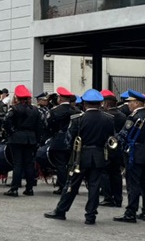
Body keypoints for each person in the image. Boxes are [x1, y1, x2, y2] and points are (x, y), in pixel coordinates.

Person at [44, 90, 112, 224]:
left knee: (71, 184)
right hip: (98, 156)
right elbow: (110, 139)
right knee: (94, 186)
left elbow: (69, 140)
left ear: (85, 103)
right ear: (100, 103)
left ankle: (61, 210)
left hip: (80, 157)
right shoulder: (108, 119)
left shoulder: (78, 119)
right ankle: (91, 215)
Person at [114, 91, 145, 221]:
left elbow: (124, 134)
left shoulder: (134, 117)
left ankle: (131, 212)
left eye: (130, 102)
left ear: (137, 103)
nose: (128, 105)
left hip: (134, 152)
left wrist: (115, 139)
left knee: (133, 183)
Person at [3, 85, 41, 196]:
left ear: (17, 97)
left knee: (17, 164)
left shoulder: (14, 109)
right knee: (29, 163)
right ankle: (29, 188)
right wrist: (37, 139)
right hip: (31, 139)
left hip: (17, 138)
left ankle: (14, 188)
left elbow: (6, 122)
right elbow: (39, 126)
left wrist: (11, 133)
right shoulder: (35, 110)